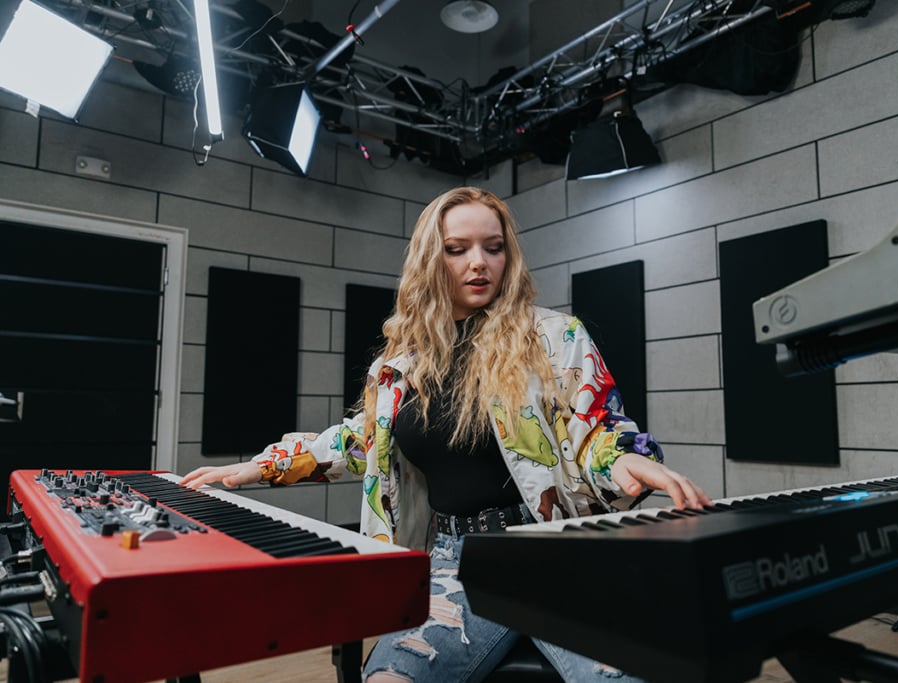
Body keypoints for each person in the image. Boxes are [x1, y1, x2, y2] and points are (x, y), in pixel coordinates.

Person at [182, 186, 711, 682]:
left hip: (557, 554)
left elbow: (597, 430)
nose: (479, 263)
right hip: (455, 560)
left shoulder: (555, 336)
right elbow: (360, 440)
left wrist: (622, 459)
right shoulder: (401, 363)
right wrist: (259, 466)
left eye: (494, 247)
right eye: (458, 249)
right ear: (432, 260)